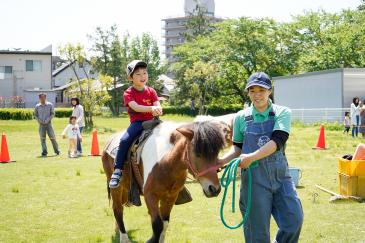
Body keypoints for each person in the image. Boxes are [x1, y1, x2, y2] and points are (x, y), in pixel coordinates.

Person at [218, 72, 303, 243]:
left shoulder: (282, 112)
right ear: (248, 93)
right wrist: (220, 161)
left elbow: (277, 141)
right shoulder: (241, 117)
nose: (257, 95)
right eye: (252, 90)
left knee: (294, 220)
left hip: (281, 178)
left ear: (270, 91)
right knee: (257, 233)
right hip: (253, 181)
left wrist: (252, 157)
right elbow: (238, 148)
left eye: (261, 90)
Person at [109, 60, 163, 189]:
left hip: (154, 122)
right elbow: (136, 107)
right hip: (138, 123)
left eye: (144, 73)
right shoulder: (128, 93)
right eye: (138, 74)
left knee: (173, 136)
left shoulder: (151, 91)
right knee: (124, 140)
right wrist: (151, 109)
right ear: (130, 78)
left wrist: (159, 109)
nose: (142, 76)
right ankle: (117, 171)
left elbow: (157, 104)